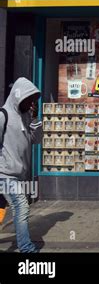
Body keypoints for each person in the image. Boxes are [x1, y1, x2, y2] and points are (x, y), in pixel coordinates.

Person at [0, 77, 43, 253]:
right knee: (22, 206)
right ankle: (26, 248)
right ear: (18, 97)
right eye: (28, 100)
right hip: (5, 173)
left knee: (0, 207)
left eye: (33, 100)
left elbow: (36, 140)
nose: (31, 103)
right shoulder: (3, 115)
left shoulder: (26, 117)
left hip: (18, 174)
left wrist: (35, 119)